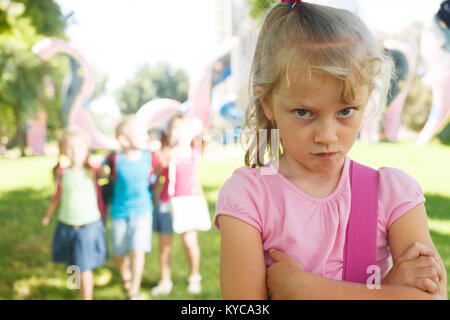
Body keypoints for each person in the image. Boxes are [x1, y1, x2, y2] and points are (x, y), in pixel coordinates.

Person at [214, 1, 447, 299]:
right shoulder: (248, 198)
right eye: (303, 112)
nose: (326, 136)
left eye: (346, 110)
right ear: (267, 103)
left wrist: (309, 290)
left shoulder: (392, 193)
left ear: (367, 97)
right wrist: (388, 292)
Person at [42, 127, 107, 300]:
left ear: (87, 149)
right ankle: (79, 289)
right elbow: (57, 197)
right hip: (67, 225)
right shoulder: (63, 173)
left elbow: (107, 171)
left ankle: (87, 297)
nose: (75, 152)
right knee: (73, 265)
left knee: (84, 266)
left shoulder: (92, 171)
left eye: (79, 147)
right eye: (70, 147)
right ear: (63, 150)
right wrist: (48, 216)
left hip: (88, 226)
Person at [150, 114, 204, 295]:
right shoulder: (165, 153)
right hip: (166, 202)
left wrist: (201, 200)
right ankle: (165, 281)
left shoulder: (194, 152)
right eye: (176, 128)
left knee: (190, 243)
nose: (180, 133)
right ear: (169, 131)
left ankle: (194, 277)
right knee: (165, 247)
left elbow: (195, 178)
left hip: (187, 202)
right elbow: (157, 178)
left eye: (184, 128)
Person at [104, 115, 153, 300]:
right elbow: (101, 175)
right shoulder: (113, 159)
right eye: (141, 134)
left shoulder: (149, 157)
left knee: (137, 250)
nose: (146, 137)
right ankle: (126, 277)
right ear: (124, 140)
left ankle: (134, 289)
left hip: (142, 212)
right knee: (119, 253)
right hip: (118, 214)